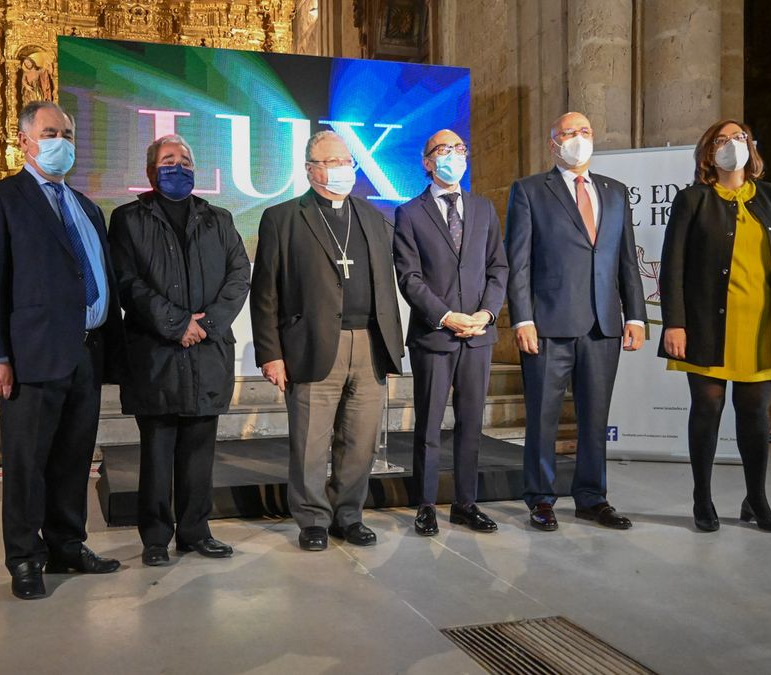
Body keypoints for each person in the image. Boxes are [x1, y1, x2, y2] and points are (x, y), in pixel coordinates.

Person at [0, 101, 125, 599]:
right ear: (25, 141)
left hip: (85, 352)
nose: (62, 142)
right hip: (30, 357)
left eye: (68, 134)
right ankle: (24, 559)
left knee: (74, 460)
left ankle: (67, 545)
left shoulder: (86, 207)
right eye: (51, 132)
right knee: (27, 464)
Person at [250, 130, 404, 551]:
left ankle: (348, 515)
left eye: (347, 161)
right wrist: (271, 354)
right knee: (310, 444)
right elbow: (265, 293)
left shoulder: (372, 216)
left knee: (360, 441)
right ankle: (313, 519)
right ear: (310, 169)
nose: (343, 169)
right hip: (312, 344)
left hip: (369, 343)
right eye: (332, 162)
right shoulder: (283, 218)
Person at [108, 134, 251, 566]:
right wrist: (176, 324)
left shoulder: (218, 219)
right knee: (156, 452)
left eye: (186, 160)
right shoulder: (128, 219)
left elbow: (239, 275)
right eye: (169, 159)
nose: (179, 166)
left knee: (199, 453)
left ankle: (195, 531)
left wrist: (205, 325)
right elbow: (127, 282)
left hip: (207, 353)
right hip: (155, 356)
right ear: (152, 171)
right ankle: (155, 538)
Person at [659, 119, 771, 533]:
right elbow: (672, 267)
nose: (731, 145)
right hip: (707, 323)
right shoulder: (692, 199)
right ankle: (702, 498)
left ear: (750, 145)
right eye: (721, 140)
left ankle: (755, 498)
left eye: (738, 137)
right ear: (709, 152)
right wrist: (675, 323)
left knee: (755, 411)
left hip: (764, 322)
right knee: (707, 408)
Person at [504, 111, 646, 532]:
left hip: (604, 325)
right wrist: (522, 319)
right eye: (569, 132)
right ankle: (541, 498)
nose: (578, 138)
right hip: (548, 324)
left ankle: (592, 497)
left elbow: (627, 260)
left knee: (595, 419)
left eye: (584, 131)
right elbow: (519, 262)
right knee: (543, 417)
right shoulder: (530, 190)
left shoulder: (615, 191)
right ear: (554, 143)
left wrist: (636, 316)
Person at [392, 129, 508, 536]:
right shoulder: (409, 213)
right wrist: (445, 316)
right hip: (435, 335)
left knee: (471, 423)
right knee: (428, 425)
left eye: (460, 149)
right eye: (444, 149)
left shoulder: (483, 208)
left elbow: (498, 267)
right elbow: (409, 277)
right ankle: (425, 505)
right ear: (427, 161)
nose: (454, 155)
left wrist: (487, 314)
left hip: (478, 334)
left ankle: (465, 503)